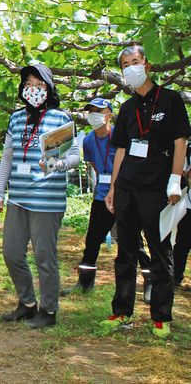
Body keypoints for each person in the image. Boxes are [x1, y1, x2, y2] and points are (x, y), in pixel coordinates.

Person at [101, 46, 191, 339]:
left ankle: (161, 317)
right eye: (125, 65)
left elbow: (180, 142)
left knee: (160, 253)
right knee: (125, 253)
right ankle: (121, 310)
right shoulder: (126, 108)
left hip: (156, 189)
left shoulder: (170, 99)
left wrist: (175, 180)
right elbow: (121, 150)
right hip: (127, 187)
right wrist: (113, 187)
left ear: (147, 65)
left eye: (135, 62)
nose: (131, 68)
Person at [0, 64, 79, 329]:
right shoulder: (16, 118)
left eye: (40, 84)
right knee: (11, 252)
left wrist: (55, 165)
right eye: (29, 84)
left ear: (49, 88)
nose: (34, 89)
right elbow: (8, 157)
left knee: (45, 256)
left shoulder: (60, 118)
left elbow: (74, 157)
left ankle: (49, 311)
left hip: (47, 200)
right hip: (18, 198)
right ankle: (27, 304)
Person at [62, 98, 152, 298]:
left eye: (98, 110)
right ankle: (85, 282)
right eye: (91, 110)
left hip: (124, 195)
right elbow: (94, 164)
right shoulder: (88, 140)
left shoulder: (121, 137)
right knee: (92, 239)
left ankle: (149, 281)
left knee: (134, 241)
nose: (94, 114)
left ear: (109, 115)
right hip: (102, 195)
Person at [173, 142, 191, 287]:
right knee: (182, 242)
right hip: (188, 204)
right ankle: (176, 276)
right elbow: (183, 172)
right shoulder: (187, 148)